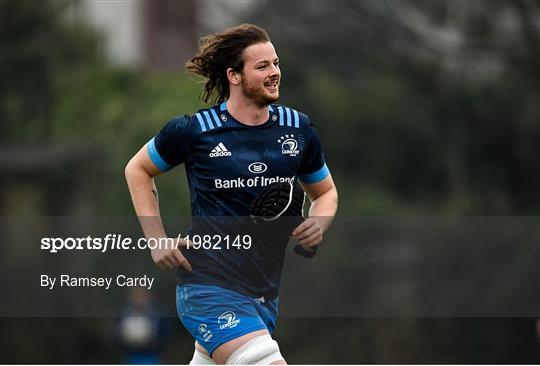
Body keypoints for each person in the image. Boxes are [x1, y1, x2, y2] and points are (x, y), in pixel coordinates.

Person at [125, 24, 338, 365]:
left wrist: (319, 222)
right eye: (262, 66)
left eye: (276, 63)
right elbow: (137, 169)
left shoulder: (297, 128)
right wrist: (156, 239)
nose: (274, 73)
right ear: (234, 75)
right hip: (208, 287)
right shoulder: (195, 131)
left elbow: (325, 192)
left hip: (264, 296)